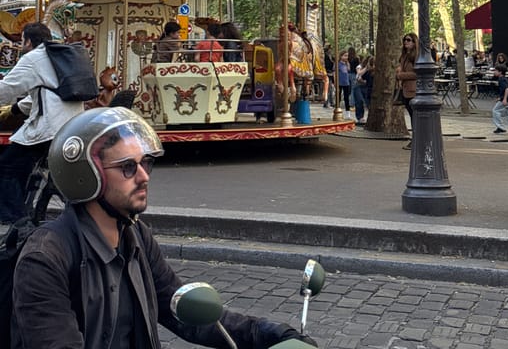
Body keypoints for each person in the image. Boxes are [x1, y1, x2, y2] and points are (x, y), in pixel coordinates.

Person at [12, 107, 314, 349]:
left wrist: (273, 335)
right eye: (128, 167)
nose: (144, 176)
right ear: (86, 176)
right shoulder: (46, 259)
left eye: (146, 164)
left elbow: (184, 311)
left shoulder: (135, 236)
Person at [0, 22, 84, 224]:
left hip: (50, 127)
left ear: (28, 41)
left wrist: (9, 103)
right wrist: (14, 109)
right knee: (23, 164)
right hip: (73, 123)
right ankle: (30, 206)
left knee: (6, 168)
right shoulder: (58, 55)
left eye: (22, 41)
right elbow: (48, 93)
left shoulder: (34, 58)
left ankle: (16, 221)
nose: (22, 45)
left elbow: (7, 89)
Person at [394, 33, 418, 149]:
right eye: (405, 40)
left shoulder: (416, 56)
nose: (406, 42)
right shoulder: (404, 56)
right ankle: (416, 139)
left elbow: (417, 74)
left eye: (409, 40)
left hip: (413, 90)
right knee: (412, 116)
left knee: (415, 116)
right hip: (405, 90)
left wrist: (401, 75)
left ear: (414, 42)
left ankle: (416, 140)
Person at [491, 62, 508, 134]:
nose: (494, 72)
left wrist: (504, 98)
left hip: (506, 99)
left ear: (500, 72)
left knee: (495, 111)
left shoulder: (501, 79)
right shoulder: (505, 79)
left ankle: (500, 127)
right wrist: (500, 97)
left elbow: (507, 89)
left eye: (495, 71)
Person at [338, 50, 351, 118]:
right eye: (345, 55)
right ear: (341, 56)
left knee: (346, 98)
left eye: (347, 56)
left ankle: (347, 112)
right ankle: (338, 110)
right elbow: (335, 73)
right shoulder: (338, 64)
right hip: (339, 82)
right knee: (338, 97)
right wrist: (335, 82)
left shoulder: (347, 64)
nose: (346, 57)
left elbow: (348, 71)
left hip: (346, 82)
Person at [322, 43, 335, 108]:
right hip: (326, 73)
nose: (331, 50)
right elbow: (325, 65)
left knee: (331, 89)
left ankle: (331, 102)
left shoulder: (331, 57)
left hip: (331, 73)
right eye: (330, 49)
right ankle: (326, 102)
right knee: (328, 88)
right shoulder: (325, 56)